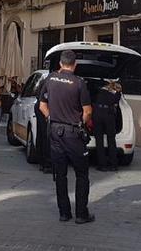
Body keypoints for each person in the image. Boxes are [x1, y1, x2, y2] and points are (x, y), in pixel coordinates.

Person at [38, 50, 95, 225]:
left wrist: (51, 118)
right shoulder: (79, 83)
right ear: (75, 64)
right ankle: (81, 214)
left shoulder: (50, 79)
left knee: (60, 174)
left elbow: (42, 105)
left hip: (55, 132)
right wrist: (82, 124)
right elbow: (87, 111)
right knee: (82, 174)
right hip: (73, 134)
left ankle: (64, 213)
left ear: (60, 64)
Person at [93, 80, 122, 172]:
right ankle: (113, 165)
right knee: (111, 140)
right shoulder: (117, 94)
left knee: (99, 140)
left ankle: (102, 165)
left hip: (98, 114)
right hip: (109, 115)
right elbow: (116, 101)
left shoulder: (100, 91)